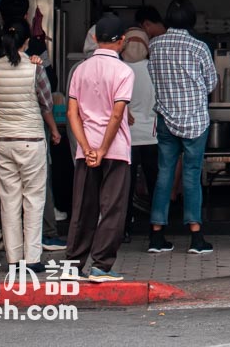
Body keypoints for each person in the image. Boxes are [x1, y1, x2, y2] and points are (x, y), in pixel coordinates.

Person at [0, 19, 62, 273]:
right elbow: (46, 102)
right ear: (27, 42)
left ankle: (13, 259)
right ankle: (32, 258)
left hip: (2, 141)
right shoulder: (34, 68)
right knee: (33, 200)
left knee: (8, 201)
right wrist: (53, 129)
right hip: (30, 140)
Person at [65, 14, 134, 282]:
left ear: (94, 39)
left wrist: (87, 146)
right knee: (112, 208)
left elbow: (73, 113)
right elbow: (117, 114)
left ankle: (73, 265)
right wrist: (104, 148)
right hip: (114, 149)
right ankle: (101, 266)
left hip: (86, 150)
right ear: (122, 41)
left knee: (83, 207)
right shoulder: (123, 72)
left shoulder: (80, 70)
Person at [147, 0, 217, 254]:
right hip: (195, 121)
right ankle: (196, 237)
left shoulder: (154, 45)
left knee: (164, 174)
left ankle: (156, 235)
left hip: (166, 118)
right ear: (191, 20)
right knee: (191, 175)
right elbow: (211, 84)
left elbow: (152, 76)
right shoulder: (198, 47)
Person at [121, 26, 158, 242]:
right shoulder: (153, 68)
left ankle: (124, 228)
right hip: (152, 136)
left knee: (125, 186)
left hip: (126, 136)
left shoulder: (119, 68)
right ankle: (156, 229)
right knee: (155, 184)